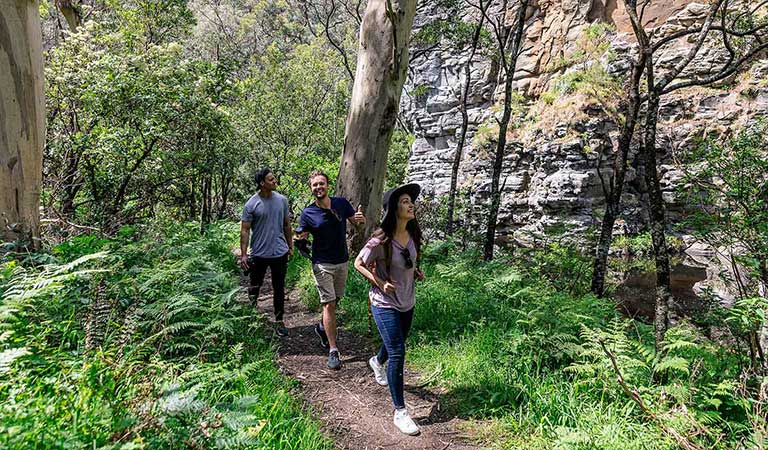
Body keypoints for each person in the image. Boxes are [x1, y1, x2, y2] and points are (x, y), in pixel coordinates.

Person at [353, 183, 425, 436]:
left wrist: (415, 271)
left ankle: (376, 360)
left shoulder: (413, 234)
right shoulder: (380, 239)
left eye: (410, 201)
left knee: (397, 343)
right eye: (405, 201)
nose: (410, 204)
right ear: (394, 208)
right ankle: (400, 412)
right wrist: (379, 282)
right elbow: (358, 263)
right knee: (398, 351)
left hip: (408, 300)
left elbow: (408, 261)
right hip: (384, 302)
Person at [295, 171, 365, 370]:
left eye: (321, 184)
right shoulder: (308, 213)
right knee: (329, 304)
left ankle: (321, 328)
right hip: (322, 263)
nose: (318, 187)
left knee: (336, 301)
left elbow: (357, 225)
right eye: (315, 185)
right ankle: (333, 350)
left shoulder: (341, 204)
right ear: (311, 189)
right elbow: (303, 235)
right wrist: (299, 239)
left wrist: (361, 220)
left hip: (342, 261)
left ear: (328, 185)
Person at [239, 169, 293, 337]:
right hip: (259, 253)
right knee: (255, 286)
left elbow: (286, 225)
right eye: (271, 179)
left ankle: (279, 321)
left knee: (279, 287)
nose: (274, 181)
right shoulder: (251, 204)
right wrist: (243, 254)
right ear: (262, 183)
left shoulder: (282, 200)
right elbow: (245, 230)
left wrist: (290, 246)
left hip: (279, 252)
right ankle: (252, 316)